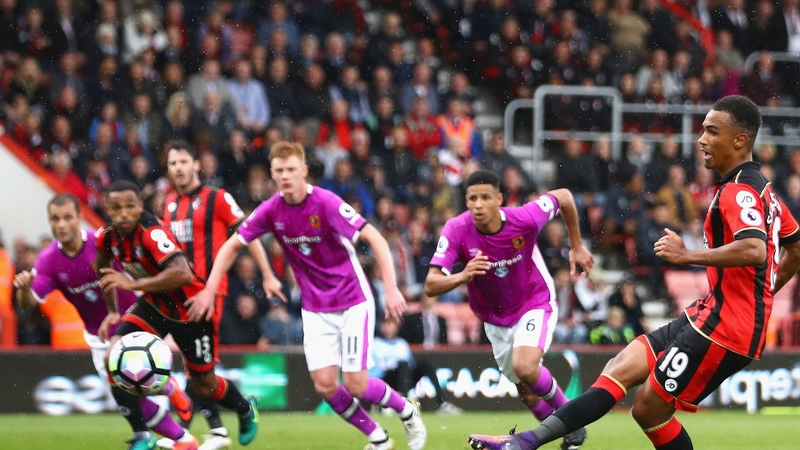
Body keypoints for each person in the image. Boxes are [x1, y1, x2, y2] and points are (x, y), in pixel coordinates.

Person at [467, 95, 800, 450]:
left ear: (740, 140)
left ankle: (525, 445)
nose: (701, 139)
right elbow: (794, 246)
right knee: (620, 366)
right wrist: (763, 296)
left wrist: (689, 255)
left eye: (712, 131)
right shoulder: (763, 191)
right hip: (711, 314)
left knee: (648, 409)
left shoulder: (740, 193)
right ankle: (524, 443)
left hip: (726, 329)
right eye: (702, 130)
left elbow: (753, 247)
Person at [189, 141, 427, 450]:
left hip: (353, 300)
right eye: (279, 171)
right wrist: (211, 289)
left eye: (291, 170)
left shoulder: (326, 203)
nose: (285, 176)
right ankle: (378, 438)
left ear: (303, 171)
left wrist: (392, 288)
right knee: (326, 386)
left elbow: (376, 239)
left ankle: (406, 411)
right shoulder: (271, 209)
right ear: (272, 174)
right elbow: (233, 244)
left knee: (356, 384)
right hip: (315, 308)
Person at [424, 169, 594, 450]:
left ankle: (573, 422)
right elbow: (431, 285)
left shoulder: (524, 218)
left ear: (499, 199)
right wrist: (463, 276)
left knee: (525, 367)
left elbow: (564, 196)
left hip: (534, 301)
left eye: (485, 198)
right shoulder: (456, 229)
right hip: (494, 319)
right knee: (526, 392)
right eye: (472, 198)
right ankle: (564, 431)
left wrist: (576, 245)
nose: (478, 205)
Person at [13, 194, 196, 450]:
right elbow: (28, 303)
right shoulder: (48, 261)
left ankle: (162, 426)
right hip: (96, 334)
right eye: (56, 219)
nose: (62, 224)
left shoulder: (103, 240)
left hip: (131, 320)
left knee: (128, 383)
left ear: (79, 218)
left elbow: (137, 256)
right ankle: (178, 430)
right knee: (124, 393)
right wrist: (23, 289)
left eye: (68, 217)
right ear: (49, 222)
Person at [94, 181, 259, 448]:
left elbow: (182, 273)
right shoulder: (106, 236)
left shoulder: (151, 232)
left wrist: (133, 285)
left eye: (129, 206)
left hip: (191, 308)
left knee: (205, 386)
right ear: (107, 208)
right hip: (155, 305)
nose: (123, 213)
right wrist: (113, 311)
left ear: (139, 206)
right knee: (112, 357)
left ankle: (244, 409)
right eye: (116, 207)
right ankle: (142, 436)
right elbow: (102, 269)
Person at [158, 140, 272, 450]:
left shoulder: (217, 198)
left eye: (183, 161)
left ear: (196, 164)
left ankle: (183, 431)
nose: (178, 168)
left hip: (209, 294)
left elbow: (249, 235)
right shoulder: (167, 204)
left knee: (199, 370)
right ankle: (219, 429)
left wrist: (268, 274)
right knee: (196, 370)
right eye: (172, 163)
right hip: (176, 297)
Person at [372, 316, 463, 415]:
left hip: (403, 379)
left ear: (397, 327)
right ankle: (404, 404)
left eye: (391, 324)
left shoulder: (402, 344)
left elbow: (410, 366)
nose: (389, 328)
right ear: (381, 326)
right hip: (385, 380)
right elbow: (371, 370)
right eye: (386, 324)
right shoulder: (375, 343)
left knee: (426, 364)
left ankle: (442, 403)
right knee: (403, 365)